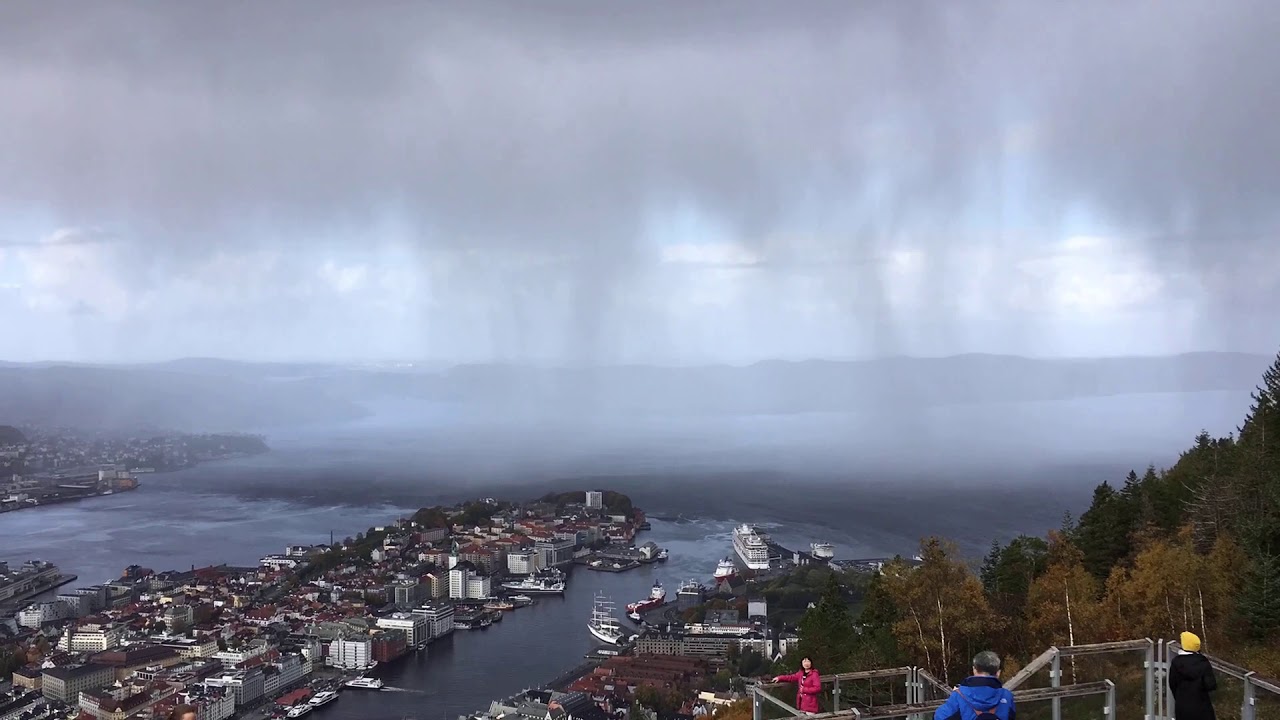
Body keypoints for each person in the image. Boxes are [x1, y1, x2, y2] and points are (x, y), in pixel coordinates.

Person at [934, 651, 1016, 720]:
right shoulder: (1007, 696)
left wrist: (955, 694)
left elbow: (939, 717)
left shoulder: (959, 695)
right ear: (998, 673)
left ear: (974, 670)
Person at [1169, 631, 1217, 720]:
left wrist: (1180, 697)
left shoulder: (1176, 662)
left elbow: (1172, 684)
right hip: (1202, 707)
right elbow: (1211, 685)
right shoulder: (1203, 662)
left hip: (1182, 707)